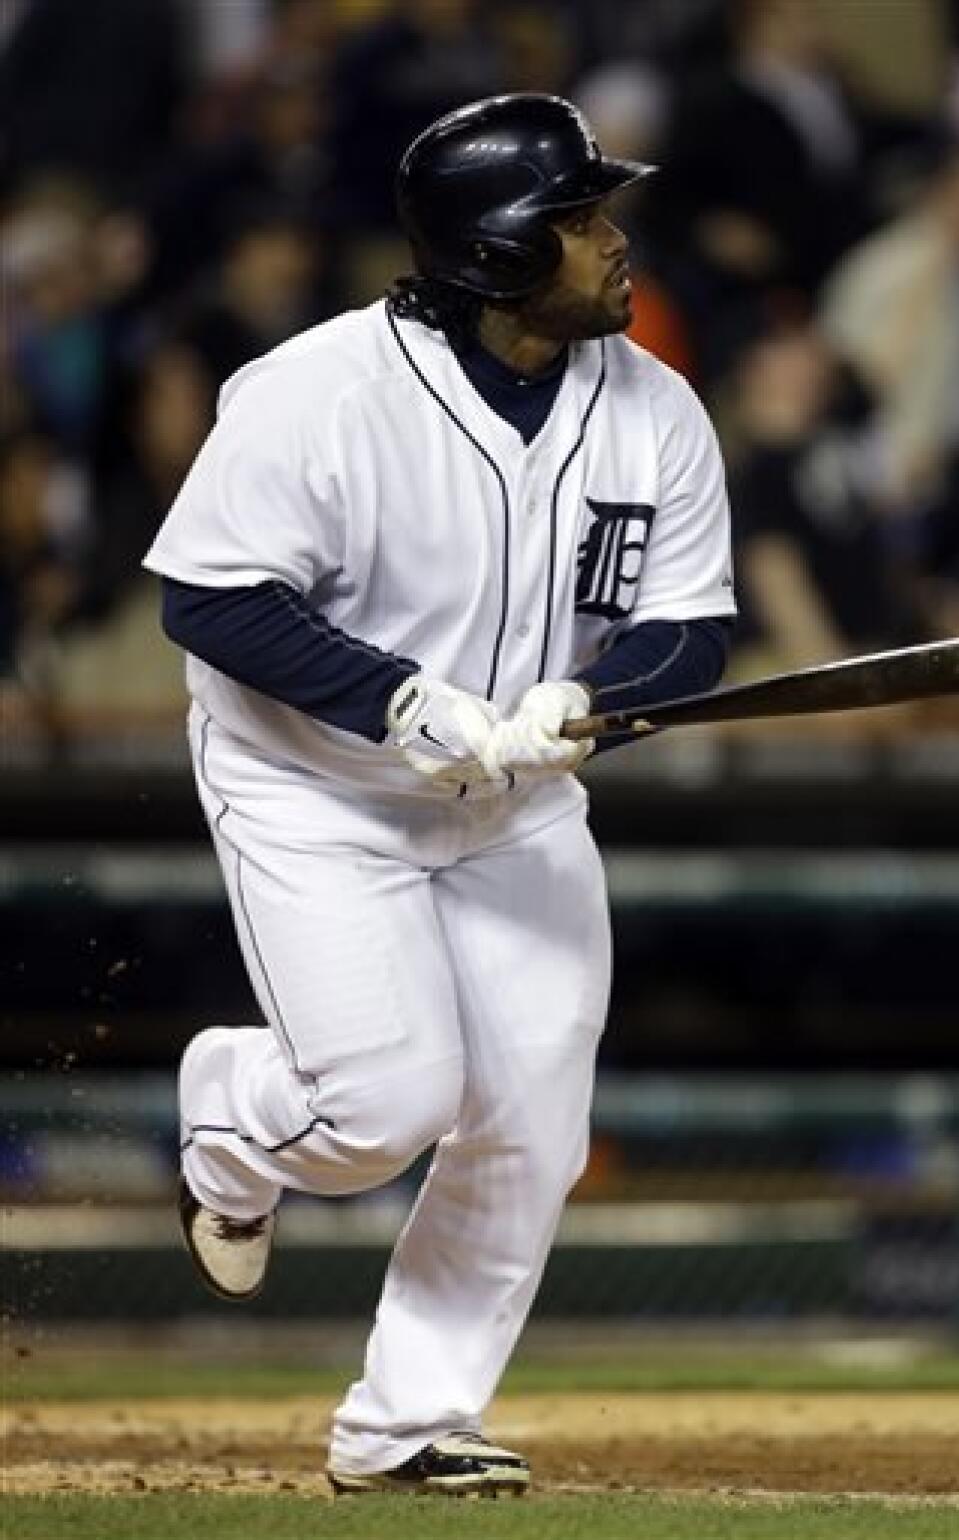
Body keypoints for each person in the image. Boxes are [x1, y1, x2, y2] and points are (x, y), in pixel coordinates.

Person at [142, 93, 736, 1497]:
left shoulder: (653, 406)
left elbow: (690, 632)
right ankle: (232, 1117)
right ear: (495, 252)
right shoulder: (317, 391)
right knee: (374, 1115)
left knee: (530, 1124)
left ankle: (408, 1422)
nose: (613, 241)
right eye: (579, 219)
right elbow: (209, 595)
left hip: (514, 803)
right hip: (317, 784)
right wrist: (400, 699)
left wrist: (590, 704)